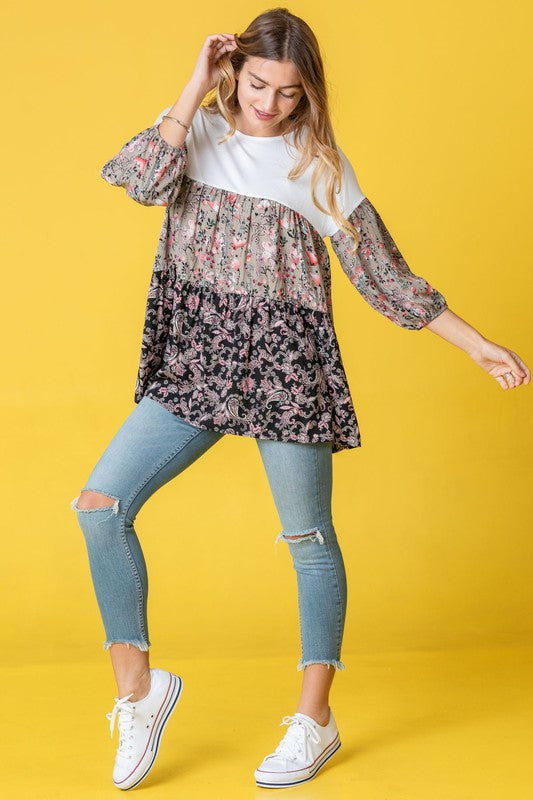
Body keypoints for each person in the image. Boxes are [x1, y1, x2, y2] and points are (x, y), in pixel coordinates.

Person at [70, 7, 530, 792]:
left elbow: (382, 273)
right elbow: (137, 182)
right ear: (232, 73)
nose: (269, 105)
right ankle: (139, 694)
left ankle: (314, 719)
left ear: (305, 93)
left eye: (287, 93)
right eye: (256, 85)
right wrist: (190, 87)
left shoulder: (317, 165)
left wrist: (475, 342)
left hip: (286, 367)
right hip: (196, 363)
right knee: (99, 505)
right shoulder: (192, 134)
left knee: (308, 538)